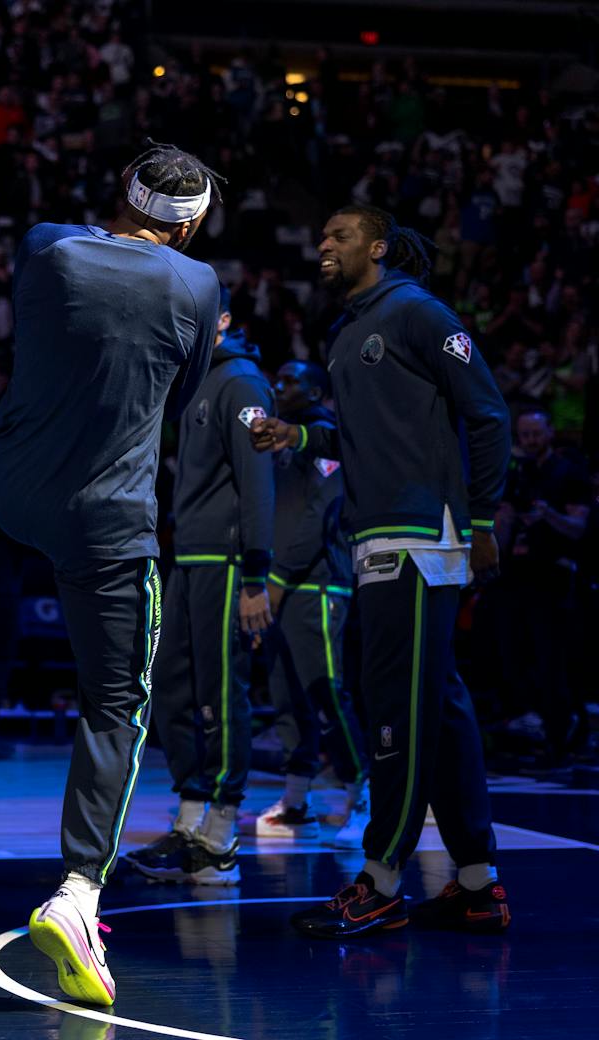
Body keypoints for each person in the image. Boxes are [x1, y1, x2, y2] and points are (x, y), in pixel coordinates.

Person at [0, 142, 221, 1007]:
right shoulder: (197, 285)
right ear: (189, 225)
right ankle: (78, 894)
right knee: (116, 706)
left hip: (7, 491)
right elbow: (185, 394)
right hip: (106, 519)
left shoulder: (45, 244)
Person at [252, 204, 513, 937]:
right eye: (322, 233)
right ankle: (476, 883)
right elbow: (356, 434)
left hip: (423, 538)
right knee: (443, 710)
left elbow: (489, 415)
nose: (322, 245)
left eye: (337, 236)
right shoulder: (347, 333)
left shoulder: (419, 313)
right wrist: (299, 432)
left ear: (377, 245)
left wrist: (485, 518)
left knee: (396, 706)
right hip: (378, 540)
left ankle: (381, 878)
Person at [126, 285, 275, 886]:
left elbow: (258, 482)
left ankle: (221, 837)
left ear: (225, 321)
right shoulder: (192, 383)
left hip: (227, 560)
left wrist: (258, 573)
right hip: (187, 555)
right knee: (173, 689)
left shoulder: (240, 382)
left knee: (221, 692)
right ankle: (190, 821)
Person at [250, 360, 369, 846]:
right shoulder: (282, 442)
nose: (279, 385)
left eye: (290, 380)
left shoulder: (325, 437)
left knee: (326, 692)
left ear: (317, 391)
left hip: (318, 583)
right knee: (286, 695)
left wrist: (275, 578)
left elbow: (320, 516)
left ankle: (364, 796)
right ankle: (297, 801)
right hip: (281, 584)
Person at [496, 408, 591, 765]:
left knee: (554, 663)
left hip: (554, 581)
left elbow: (577, 528)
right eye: (524, 435)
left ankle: (560, 738)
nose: (530, 440)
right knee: (513, 659)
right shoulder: (517, 474)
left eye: (536, 433)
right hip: (517, 578)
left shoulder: (569, 472)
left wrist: (546, 514)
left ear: (550, 431)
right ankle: (535, 726)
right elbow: (504, 525)